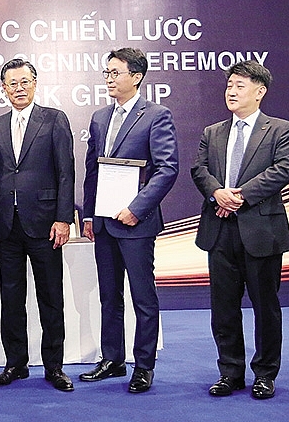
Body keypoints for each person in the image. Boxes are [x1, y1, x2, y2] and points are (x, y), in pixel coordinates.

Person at [191, 60, 289, 400]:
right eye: (229, 85)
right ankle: (230, 373)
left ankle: (265, 375)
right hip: (219, 230)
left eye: (240, 85)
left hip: (261, 231)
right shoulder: (212, 132)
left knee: (265, 308)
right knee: (223, 307)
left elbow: (281, 170)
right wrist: (216, 193)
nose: (232, 91)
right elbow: (199, 170)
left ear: (260, 91)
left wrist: (238, 196)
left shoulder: (281, 130)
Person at [0, 58, 75, 392]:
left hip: (45, 224)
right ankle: (15, 364)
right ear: (3, 89)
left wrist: (63, 218)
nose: (18, 89)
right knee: (12, 297)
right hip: (7, 225)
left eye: (24, 82)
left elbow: (66, 172)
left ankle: (54, 367)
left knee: (51, 297)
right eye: (12, 84)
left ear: (35, 84)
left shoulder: (55, 119)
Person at [81, 48, 179, 393]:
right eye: (106, 73)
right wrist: (89, 213)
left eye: (116, 73)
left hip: (136, 223)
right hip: (104, 221)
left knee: (142, 297)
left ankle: (144, 366)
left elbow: (167, 169)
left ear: (136, 77)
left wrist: (137, 208)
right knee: (109, 295)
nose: (109, 79)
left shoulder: (156, 115)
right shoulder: (99, 117)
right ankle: (112, 359)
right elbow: (92, 170)